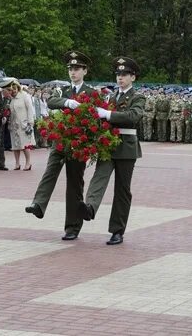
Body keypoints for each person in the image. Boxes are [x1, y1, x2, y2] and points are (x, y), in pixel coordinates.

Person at [25, 51, 93, 241]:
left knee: (74, 184)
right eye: (71, 69)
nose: (73, 72)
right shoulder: (63, 90)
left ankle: (72, 227)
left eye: (77, 69)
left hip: (79, 143)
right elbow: (52, 101)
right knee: (50, 170)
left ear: (85, 71)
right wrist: (67, 102)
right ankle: (39, 204)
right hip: (61, 139)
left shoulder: (91, 92)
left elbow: (94, 113)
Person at [79, 56, 146, 245]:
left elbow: (134, 116)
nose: (120, 78)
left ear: (133, 77)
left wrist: (108, 114)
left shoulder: (137, 97)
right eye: (118, 74)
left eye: (124, 74)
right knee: (100, 175)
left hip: (126, 146)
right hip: (108, 143)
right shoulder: (109, 97)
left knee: (122, 190)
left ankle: (117, 230)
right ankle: (90, 207)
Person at [5, 81, 35, 170]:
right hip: (13, 124)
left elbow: (30, 109)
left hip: (24, 124)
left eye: (14, 89)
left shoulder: (25, 96)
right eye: (11, 90)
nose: (13, 91)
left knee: (25, 145)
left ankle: (28, 163)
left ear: (18, 88)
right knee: (15, 145)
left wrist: (30, 123)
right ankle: (17, 163)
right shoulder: (11, 99)